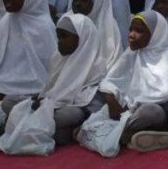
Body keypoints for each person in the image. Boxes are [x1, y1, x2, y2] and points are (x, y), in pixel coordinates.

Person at [97, 11, 168, 152]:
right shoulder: (133, 53)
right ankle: (136, 135)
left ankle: (118, 132)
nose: (131, 35)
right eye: (131, 29)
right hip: (129, 108)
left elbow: (163, 92)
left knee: (151, 112)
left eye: (139, 31)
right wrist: (111, 98)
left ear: (155, 34)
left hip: (161, 111)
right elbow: (111, 80)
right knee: (102, 105)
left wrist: (131, 105)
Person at [33, 13, 111, 146]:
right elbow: (51, 89)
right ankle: (43, 126)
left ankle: (39, 125)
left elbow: (95, 106)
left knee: (72, 114)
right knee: (11, 103)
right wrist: (42, 101)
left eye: (64, 36)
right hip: (54, 110)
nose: (59, 41)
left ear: (82, 38)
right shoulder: (58, 59)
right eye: (58, 36)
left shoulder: (95, 67)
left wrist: (51, 107)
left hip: (76, 115)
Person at [69, 0, 124, 67]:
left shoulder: (108, 25)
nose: (77, 4)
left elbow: (113, 60)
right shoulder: (68, 21)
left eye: (84, 0)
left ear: (97, 1)